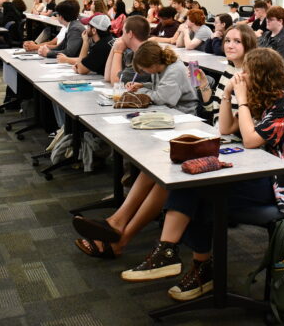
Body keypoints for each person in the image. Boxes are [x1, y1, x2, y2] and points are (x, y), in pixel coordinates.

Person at [120, 48, 284, 302]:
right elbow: (226, 127)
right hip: (251, 170)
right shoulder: (260, 96)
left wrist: (241, 98)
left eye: (246, 73)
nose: (242, 76)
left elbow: (251, 140)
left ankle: (190, 263)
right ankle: (182, 258)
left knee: (200, 190)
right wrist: (229, 95)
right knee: (194, 183)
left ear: (262, 75)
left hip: (278, 183)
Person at [71, 42, 200, 262]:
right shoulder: (163, 69)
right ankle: (116, 223)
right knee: (152, 169)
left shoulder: (175, 69)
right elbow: (158, 93)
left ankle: (117, 233)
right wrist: (143, 88)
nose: (144, 73)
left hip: (184, 122)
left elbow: (164, 98)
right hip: (173, 121)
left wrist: (145, 90)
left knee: (160, 172)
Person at [104, 15, 151, 85]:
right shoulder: (132, 52)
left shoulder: (144, 56)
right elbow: (107, 77)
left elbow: (116, 83)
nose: (121, 37)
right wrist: (115, 47)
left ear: (130, 34)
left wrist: (118, 52)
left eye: (123, 33)